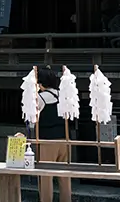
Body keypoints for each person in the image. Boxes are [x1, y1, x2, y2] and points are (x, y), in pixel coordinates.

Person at [36, 67, 71, 202]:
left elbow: (33, 119)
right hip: (65, 138)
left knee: (45, 175)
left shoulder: (40, 98)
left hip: (47, 140)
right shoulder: (62, 95)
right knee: (65, 175)